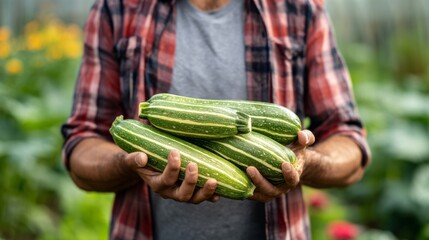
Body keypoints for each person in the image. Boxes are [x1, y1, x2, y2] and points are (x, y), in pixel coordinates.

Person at [61, 0, 371, 239]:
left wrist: (305, 163)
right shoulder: (117, 8)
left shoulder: (299, 8)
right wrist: (134, 161)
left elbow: (350, 146)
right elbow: (81, 150)